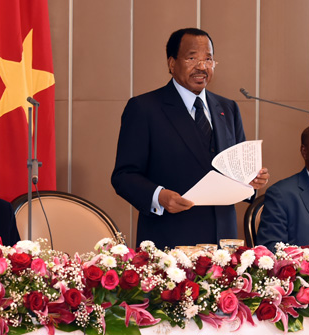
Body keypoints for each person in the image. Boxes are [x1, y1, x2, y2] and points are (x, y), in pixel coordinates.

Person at [111, 28, 269, 248]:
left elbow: (237, 169)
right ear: (172, 63)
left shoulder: (228, 108)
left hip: (223, 241)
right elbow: (124, 175)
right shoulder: (144, 108)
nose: (202, 67)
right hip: (171, 238)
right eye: (192, 58)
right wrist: (160, 196)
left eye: (208, 59)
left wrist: (250, 181)